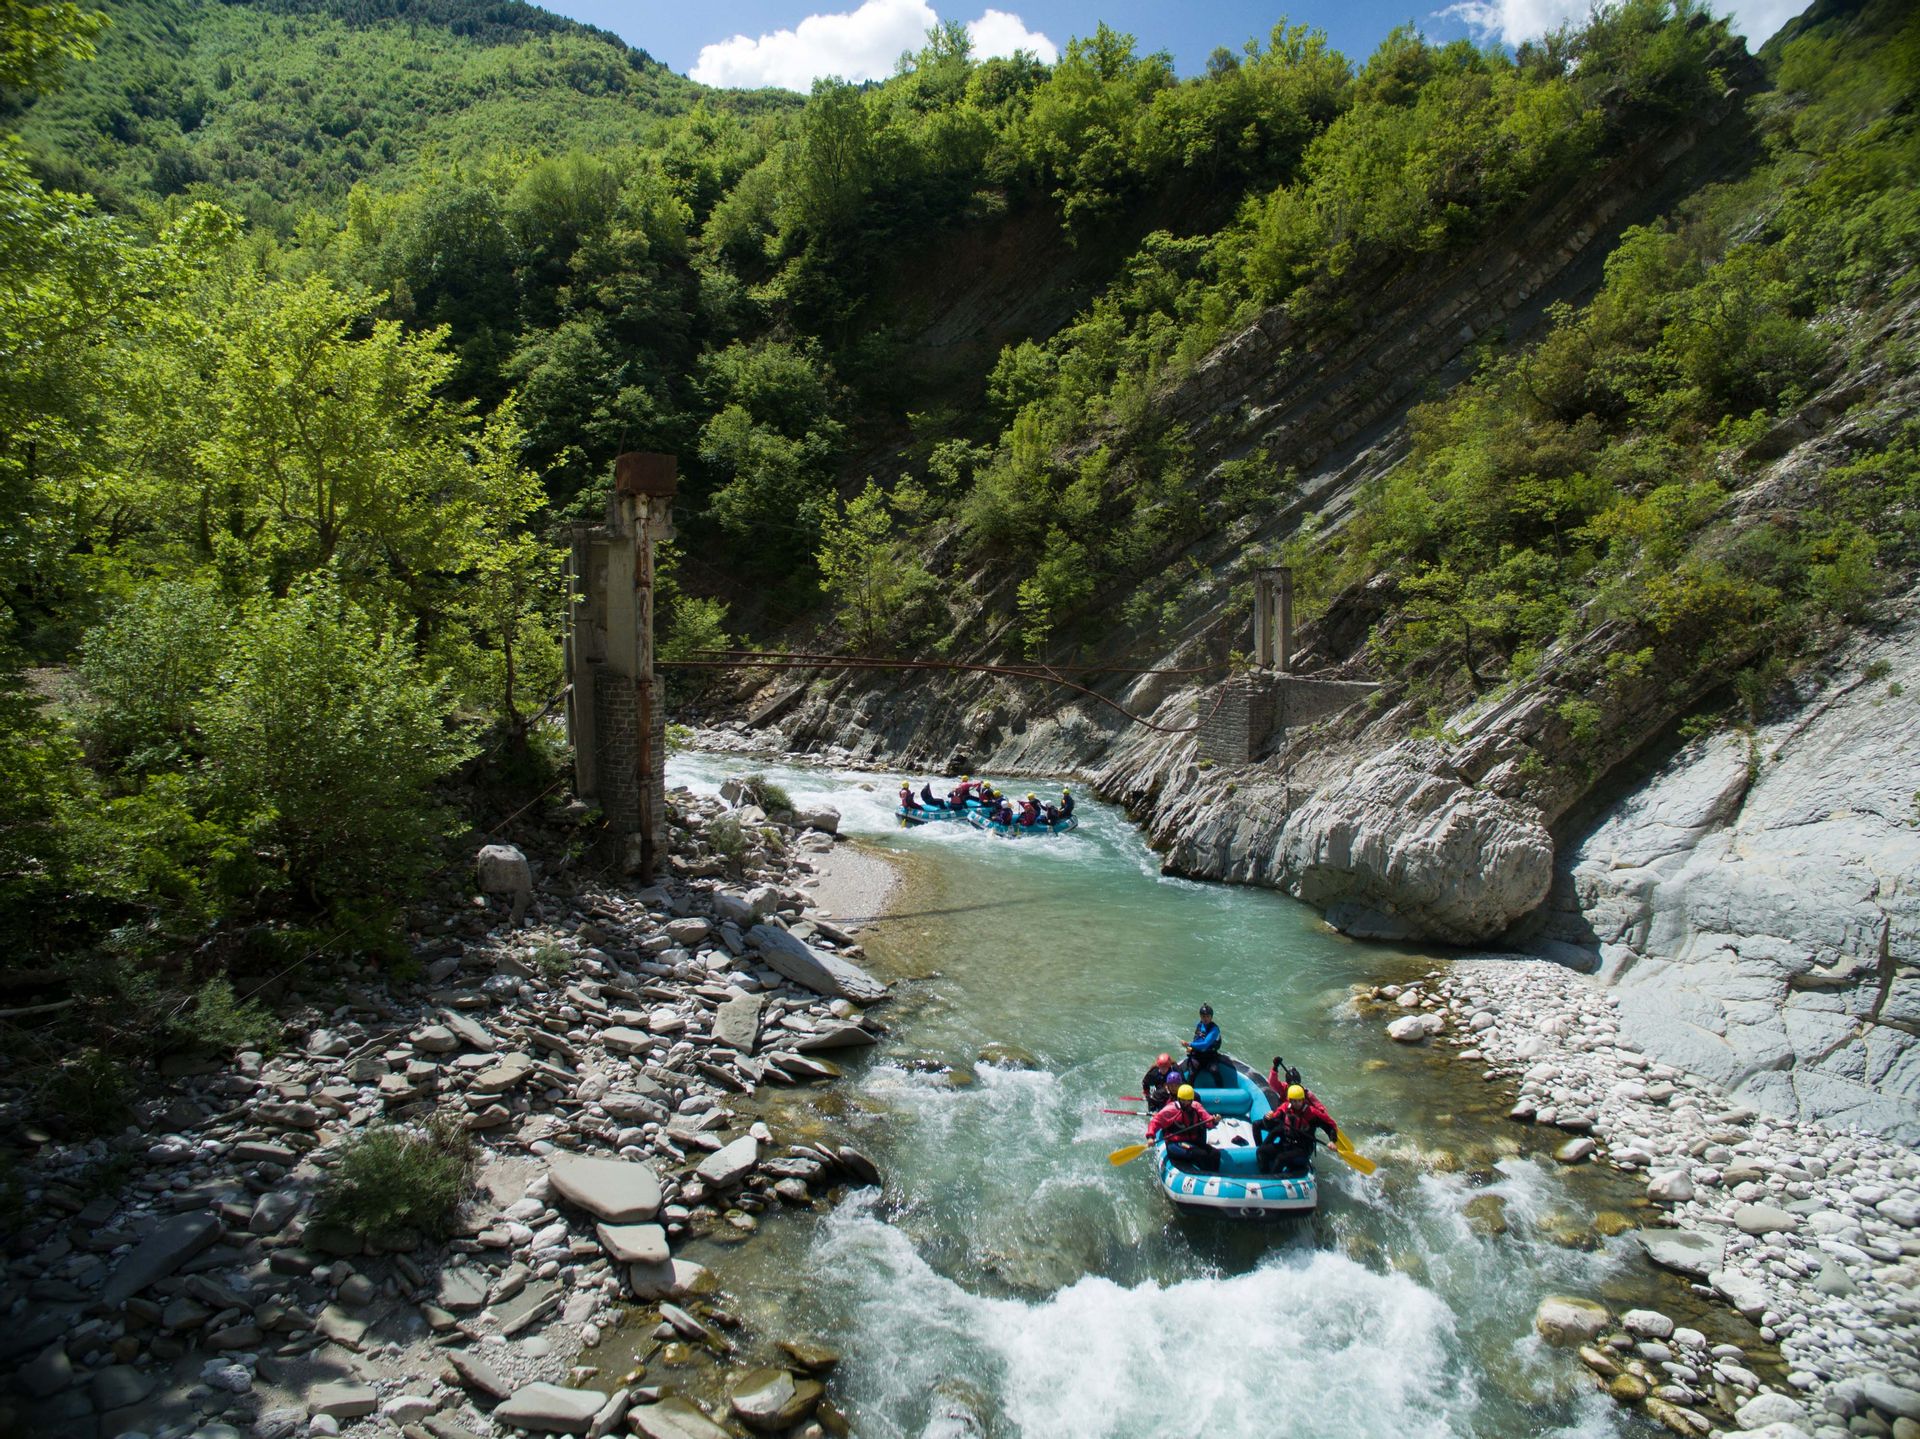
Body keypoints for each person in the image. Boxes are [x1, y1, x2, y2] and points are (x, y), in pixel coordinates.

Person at [1251, 1084, 1338, 1177]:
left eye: (1299, 1101)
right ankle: (1265, 1175)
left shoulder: (1312, 1113)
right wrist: (1267, 1118)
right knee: (1261, 1151)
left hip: (1302, 1149)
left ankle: (1272, 1180)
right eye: (1294, 1101)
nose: (1297, 1104)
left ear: (1303, 1100)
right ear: (1290, 1100)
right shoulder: (1285, 1108)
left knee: (1281, 1158)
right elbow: (1270, 1124)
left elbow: (1330, 1126)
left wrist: (1332, 1141)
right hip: (1286, 1144)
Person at [1147, 1084, 1219, 1172]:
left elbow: (1208, 1121)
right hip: (1175, 1144)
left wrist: (1215, 1120)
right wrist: (1151, 1137)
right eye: (1183, 1100)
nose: (1185, 1103)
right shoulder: (1171, 1109)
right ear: (1179, 1099)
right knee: (1200, 1154)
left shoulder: (1196, 1106)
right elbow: (1155, 1122)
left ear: (1192, 1100)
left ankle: (1214, 1176)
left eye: (1188, 1101)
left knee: (1215, 1153)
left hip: (1193, 1142)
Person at [1185, 1004, 1224, 1087]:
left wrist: (1190, 1044)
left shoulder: (1214, 1029)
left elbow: (1205, 1044)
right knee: (1191, 1074)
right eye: (1203, 1016)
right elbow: (1197, 1039)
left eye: (1207, 1016)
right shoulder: (1199, 1025)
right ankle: (1188, 1094)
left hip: (1210, 1056)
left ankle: (1221, 1089)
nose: (1205, 1018)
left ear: (1211, 1017)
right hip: (1197, 1055)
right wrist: (1191, 1048)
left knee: (1214, 1070)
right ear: (1200, 1016)